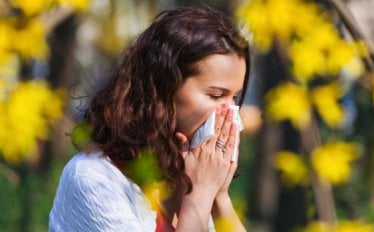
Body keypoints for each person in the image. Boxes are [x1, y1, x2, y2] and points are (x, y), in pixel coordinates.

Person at [49, 6, 250, 232]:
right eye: (216, 95)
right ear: (164, 88)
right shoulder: (94, 179)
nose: (230, 113)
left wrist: (219, 197)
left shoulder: (189, 174)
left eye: (235, 97)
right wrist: (199, 197)